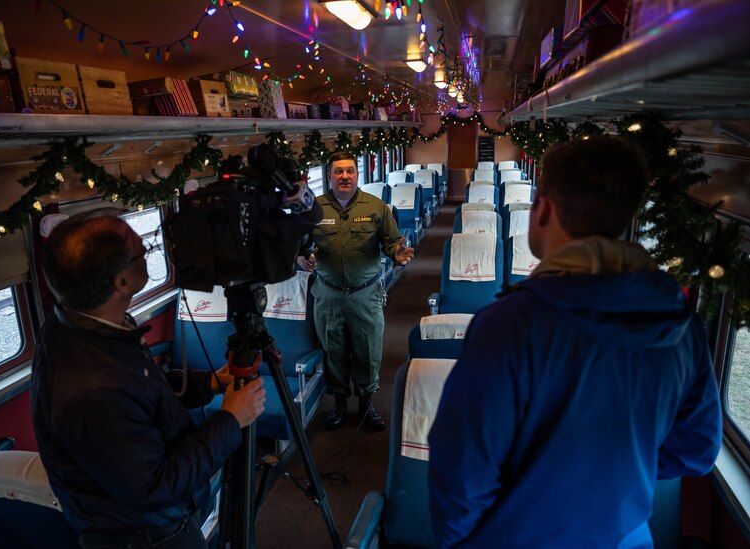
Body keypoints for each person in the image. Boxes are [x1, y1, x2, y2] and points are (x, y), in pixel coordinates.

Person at [428, 136, 722, 548]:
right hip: (626, 537)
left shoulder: (508, 325)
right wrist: (612, 473)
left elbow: (461, 470)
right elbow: (697, 449)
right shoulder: (681, 323)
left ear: (543, 210)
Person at [31, 210, 266, 548]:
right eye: (143, 251)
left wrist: (208, 384)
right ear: (121, 282)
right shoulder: (92, 389)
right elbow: (155, 487)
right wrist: (231, 419)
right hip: (148, 537)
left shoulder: (78, 324)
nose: (152, 253)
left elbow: (140, 393)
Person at [297, 151, 414, 431]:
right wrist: (302, 258)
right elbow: (301, 248)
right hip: (328, 293)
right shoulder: (313, 209)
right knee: (333, 349)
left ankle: (366, 403)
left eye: (350, 170)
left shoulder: (376, 207)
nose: (345, 176)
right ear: (329, 176)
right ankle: (339, 403)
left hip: (365, 293)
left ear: (357, 174)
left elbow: (393, 242)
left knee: (368, 349)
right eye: (338, 172)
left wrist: (397, 253)